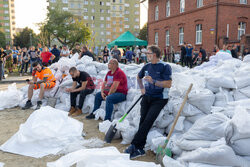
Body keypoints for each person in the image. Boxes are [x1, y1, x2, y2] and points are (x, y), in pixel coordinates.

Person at [124, 45, 172, 159]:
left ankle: (134, 145)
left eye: (148, 53)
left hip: (159, 99)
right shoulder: (146, 66)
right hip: (147, 97)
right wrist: (142, 88)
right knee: (142, 121)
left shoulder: (165, 66)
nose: (146, 56)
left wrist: (154, 81)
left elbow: (168, 84)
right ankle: (140, 148)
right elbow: (138, 77)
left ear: (154, 55)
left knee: (148, 121)